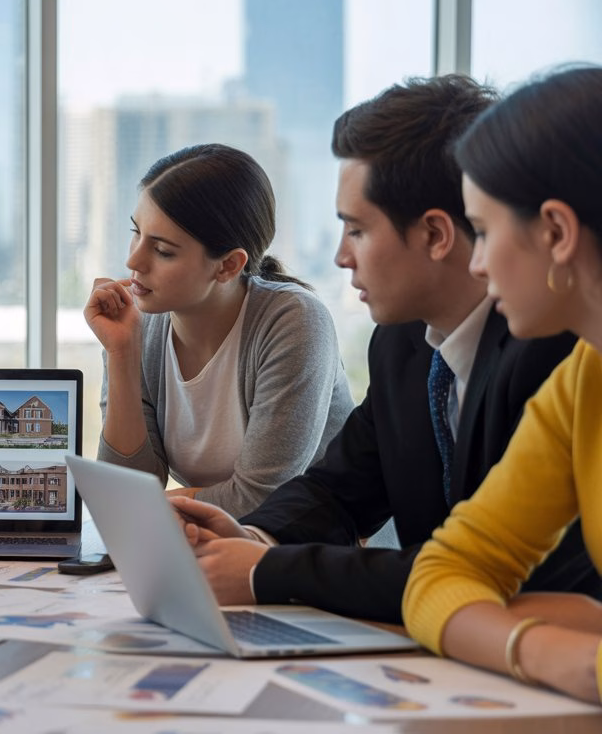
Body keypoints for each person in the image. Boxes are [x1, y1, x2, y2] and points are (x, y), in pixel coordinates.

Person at [168, 77, 598, 623]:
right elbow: (340, 488)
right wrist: (254, 535)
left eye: (357, 230)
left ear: (437, 235)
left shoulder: (555, 352)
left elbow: (501, 577)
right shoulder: (402, 344)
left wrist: (265, 570)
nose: (342, 258)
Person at [404, 66, 602, 703]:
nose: (477, 261)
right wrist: (554, 653)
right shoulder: (584, 378)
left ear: (556, 232)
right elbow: (442, 574)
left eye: (484, 231)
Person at [86, 143, 352, 517]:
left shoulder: (294, 322)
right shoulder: (140, 325)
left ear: (228, 265)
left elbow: (259, 499)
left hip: (333, 552)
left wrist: (143, 508)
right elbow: (127, 486)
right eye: (136, 233)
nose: (133, 260)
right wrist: (121, 353)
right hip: (225, 546)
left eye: (162, 250)